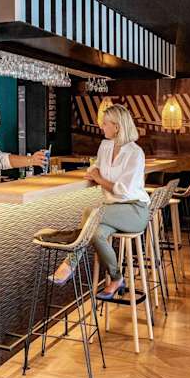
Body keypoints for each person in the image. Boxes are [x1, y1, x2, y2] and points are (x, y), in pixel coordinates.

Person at [50, 104, 150, 298]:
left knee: (90, 213)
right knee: (95, 234)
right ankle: (117, 278)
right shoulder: (105, 146)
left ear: (117, 127)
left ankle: (69, 263)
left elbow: (123, 190)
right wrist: (97, 175)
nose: (101, 126)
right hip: (112, 210)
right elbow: (93, 168)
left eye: (105, 123)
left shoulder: (135, 153)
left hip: (134, 211)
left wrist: (98, 178)